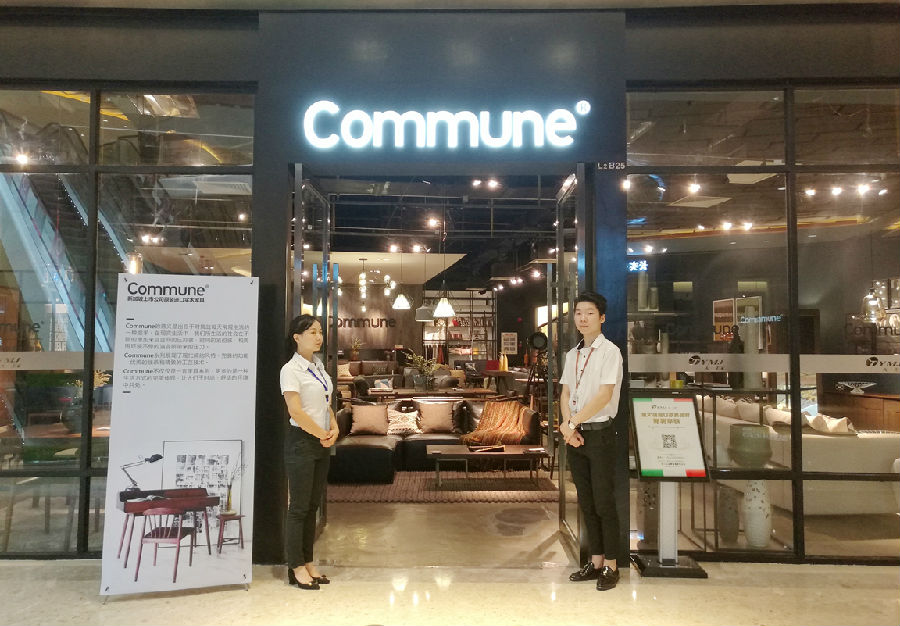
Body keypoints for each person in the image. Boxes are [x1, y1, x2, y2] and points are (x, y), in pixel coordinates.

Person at [559, 291, 624, 591]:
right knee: (585, 500)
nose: (582, 318)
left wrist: (571, 423)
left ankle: (612, 564)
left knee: (603, 501)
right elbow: (565, 393)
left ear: (602, 317)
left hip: (599, 434)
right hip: (575, 436)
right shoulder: (572, 355)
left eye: (589, 313)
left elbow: (604, 395)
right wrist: (569, 428)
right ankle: (595, 561)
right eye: (578, 313)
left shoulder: (610, 352)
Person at [280, 314, 340, 590]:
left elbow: (326, 404)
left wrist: (334, 427)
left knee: (313, 505)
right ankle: (295, 566)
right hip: (302, 441)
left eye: (320, 332)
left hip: (321, 440)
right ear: (297, 337)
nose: (319, 337)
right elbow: (295, 411)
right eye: (313, 332)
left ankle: (308, 562)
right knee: (299, 507)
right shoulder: (290, 370)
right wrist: (320, 433)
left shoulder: (319, 367)